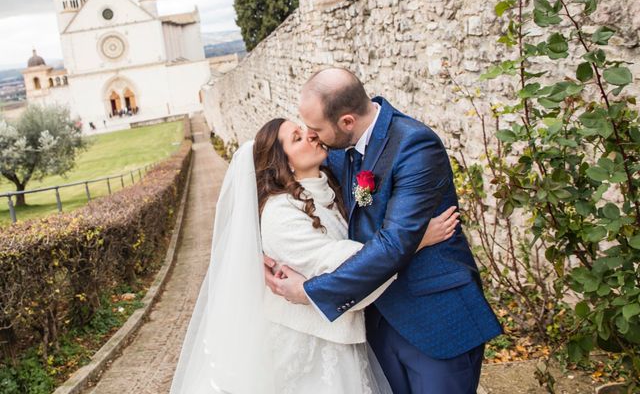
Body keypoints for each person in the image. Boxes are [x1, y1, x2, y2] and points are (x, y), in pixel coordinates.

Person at [169, 118, 458, 394]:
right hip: (309, 345)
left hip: (342, 334)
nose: (310, 134)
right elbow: (336, 261)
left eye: (303, 128)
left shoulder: (331, 183)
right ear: (285, 164)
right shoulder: (279, 213)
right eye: (297, 138)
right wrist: (413, 241)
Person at [266, 67, 502, 394]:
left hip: (434, 319)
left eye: (315, 128)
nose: (312, 135)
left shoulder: (414, 145)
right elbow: (282, 175)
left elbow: (394, 244)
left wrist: (309, 292)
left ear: (346, 121)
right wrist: (259, 247)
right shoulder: (338, 151)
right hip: (378, 323)